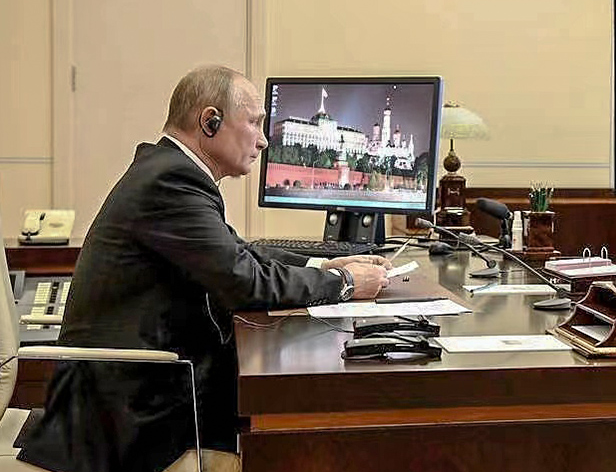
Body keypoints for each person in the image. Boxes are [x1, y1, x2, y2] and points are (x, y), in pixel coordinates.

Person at [18, 66, 392, 472]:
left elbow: (239, 251)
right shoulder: (171, 180)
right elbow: (244, 281)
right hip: (125, 415)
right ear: (210, 121)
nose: (264, 140)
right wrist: (345, 283)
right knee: (302, 436)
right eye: (254, 123)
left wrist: (325, 263)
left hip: (130, 390)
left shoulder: (168, 170)